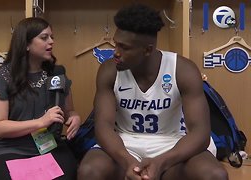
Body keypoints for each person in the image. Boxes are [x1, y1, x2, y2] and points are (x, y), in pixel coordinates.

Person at [78, 4, 228, 180]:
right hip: (125, 142)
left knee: (214, 175)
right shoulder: (109, 70)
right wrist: (127, 161)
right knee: (89, 171)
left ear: (147, 50)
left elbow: (200, 133)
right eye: (116, 44)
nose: (115, 53)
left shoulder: (182, 69)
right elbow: (103, 126)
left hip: (172, 143)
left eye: (124, 48)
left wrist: (161, 162)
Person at [0, 17, 81, 180]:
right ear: (26, 44)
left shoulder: (56, 74)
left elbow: (67, 111)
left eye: (52, 37)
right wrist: (40, 122)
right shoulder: (1, 77)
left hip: (50, 146)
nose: (51, 42)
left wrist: (74, 117)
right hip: (10, 149)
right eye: (44, 38)